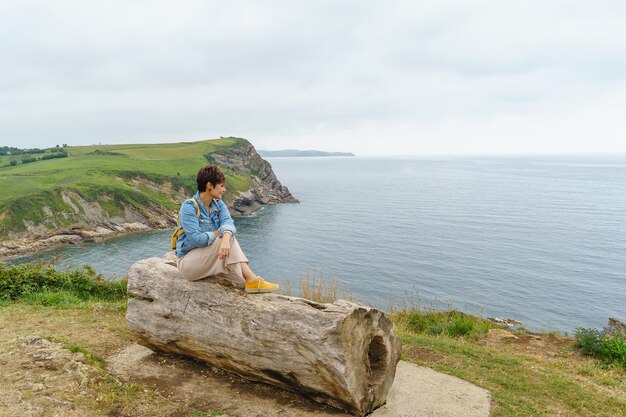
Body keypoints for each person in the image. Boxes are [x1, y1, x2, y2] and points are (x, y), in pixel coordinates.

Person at [175, 164, 279, 293]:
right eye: (221, 186)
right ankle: (252, 280)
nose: (224, 190)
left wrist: (225, 237)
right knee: (227, 237)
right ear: (209, 185)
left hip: (206, 258)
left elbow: (229, 223)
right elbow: (197, 240)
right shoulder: (189, 207)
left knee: (228, 237)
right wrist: (221, 234)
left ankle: (249, 281)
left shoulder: (219, 204)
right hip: (188, 264)